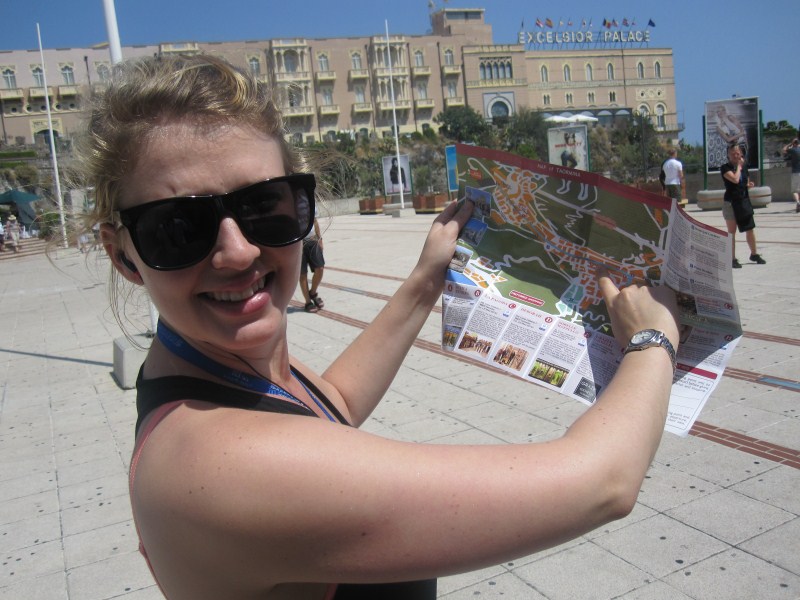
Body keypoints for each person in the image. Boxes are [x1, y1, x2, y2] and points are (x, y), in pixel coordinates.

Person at [81, 54, 680, 600]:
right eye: (177, 227)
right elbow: (603, 482)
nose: (237, 252)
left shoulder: (210, 381)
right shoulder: (218, 463)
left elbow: (328, 404)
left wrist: (425, 280)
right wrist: (654, 340)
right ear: (123, 254)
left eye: (265, 205)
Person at [720, 144, 765, 268]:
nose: (736, 155)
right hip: (731, 203)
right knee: (732, 231)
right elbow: (734, 179)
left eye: (737, 153)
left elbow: (744, 181)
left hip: (743, 201)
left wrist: (748, 184)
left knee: (750, 228)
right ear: (728, 155)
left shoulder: (744, 166)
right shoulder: (725, 168)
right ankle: (732, 258)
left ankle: (754, 253)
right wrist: (738, 167)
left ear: (741, 153)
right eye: (733, 153)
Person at [299, 209, 325, 313]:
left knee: (320, 268)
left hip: (312, 240)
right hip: (297, 243)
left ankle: (313, 292)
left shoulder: (308, 201)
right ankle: (308, 302)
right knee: (302, 274)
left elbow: (314, 221)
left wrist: (320, 239)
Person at [782, 138, 800, 213]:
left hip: (795, 172)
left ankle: (798, 202)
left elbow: (784, 149)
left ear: (794, 144)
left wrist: (790, 143)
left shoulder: (793, 150)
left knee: (794, 190)